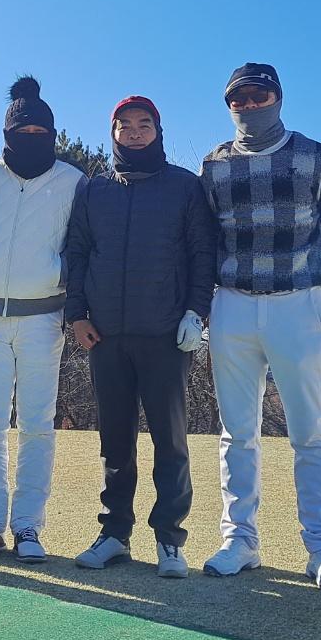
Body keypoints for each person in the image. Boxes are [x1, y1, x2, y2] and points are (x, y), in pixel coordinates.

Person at [198, 62, 321, 590]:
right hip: (232, 305)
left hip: (296, 304)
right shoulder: (214, 164)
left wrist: (297, 270)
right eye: (238, 99)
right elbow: (207, 235)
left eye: (258, 96)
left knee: (309, 430)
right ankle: (240, 541)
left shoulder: (316, 156)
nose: (248, 105)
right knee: (237, 433)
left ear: (278, 98)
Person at [65, 96, 217, 579]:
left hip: (165, 335)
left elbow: (202, 254)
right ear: (113, 132)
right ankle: (115, 534)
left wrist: (196, 312)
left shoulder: (184, 187)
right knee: (115, 442)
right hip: (106, 336)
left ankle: (170, 538)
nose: (134, 132)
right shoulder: (94, 190)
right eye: (124, 125)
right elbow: (77, 254)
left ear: (158, 130)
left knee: (170, 441)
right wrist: (77, 315)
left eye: (143, 124)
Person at [0, 76, 86, 563]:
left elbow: (80, 244)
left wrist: (59, 274)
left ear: (52, 133)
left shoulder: (73, 181)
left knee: (36, 426)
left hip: (43, 318)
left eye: (39, 131)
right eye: (21, 130)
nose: (31, 137)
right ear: (7, 133)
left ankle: (28, 526)